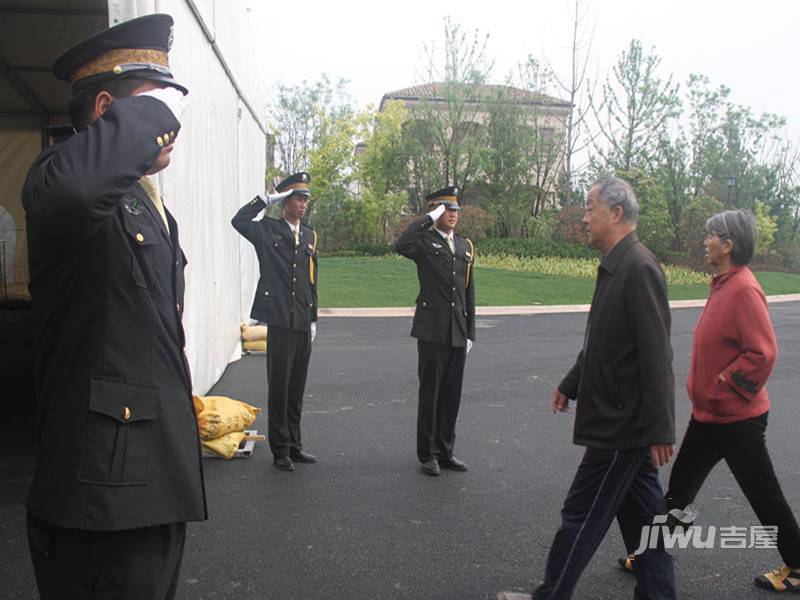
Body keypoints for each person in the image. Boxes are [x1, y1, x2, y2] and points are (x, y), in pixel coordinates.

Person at [22, 14, 206, 600]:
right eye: (154, 107)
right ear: (106, 110)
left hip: (150, 480)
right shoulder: (57, 176)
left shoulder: (146, 205)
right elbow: (80, 190)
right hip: (101, 494)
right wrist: (149, 109)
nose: (170, 126)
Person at [498, 176, 677, 600]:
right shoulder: (618, 264)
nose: (584, 217)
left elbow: (656, 355)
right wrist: (572, 382)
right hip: (622, 422)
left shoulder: (639, 268)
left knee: (580, 517)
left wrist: (661, 428)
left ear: (616, 213)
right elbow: (604, 343)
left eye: (590, 208)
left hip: (621, 425)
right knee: (648, 524)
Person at [617, 209, 800, 593]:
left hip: (738, 420)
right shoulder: (723, 283)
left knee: (763, 493)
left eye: (711, 236)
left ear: (728, 244)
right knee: (680, 491)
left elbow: (762, 353)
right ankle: (655, 555)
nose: (705, 241)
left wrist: (721, 385)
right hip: (711, 417)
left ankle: (798, 565)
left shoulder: (744, 288)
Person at [231, 172, 319, 472]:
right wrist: (266, 200)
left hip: (301, 320)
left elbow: (311, 279)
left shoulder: (309, 235)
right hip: (280, 320)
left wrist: (313, 316)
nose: (303, 204)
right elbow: (239, 221)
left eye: (306, 199)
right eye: (298, 198)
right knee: (279, 388)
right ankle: (280, 449)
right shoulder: (267, 230)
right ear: (286, 202)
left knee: (296, 388)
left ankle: (295, 444)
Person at [394, 186, 476, 476]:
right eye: (446, 209)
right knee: (431, 394)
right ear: (436, 210)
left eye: (455, 210)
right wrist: (429, 217)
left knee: (452, 394)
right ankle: (427, 453)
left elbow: (469, 292)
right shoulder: (424, 243)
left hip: (456, 330)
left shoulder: (465, 246)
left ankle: (445, 450)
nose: (452, 214)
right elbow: (400, 244)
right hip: (431, 331)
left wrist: (470, 333)